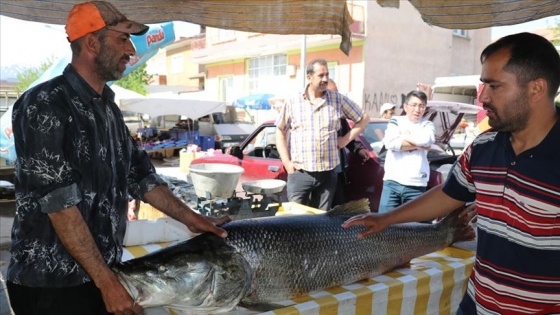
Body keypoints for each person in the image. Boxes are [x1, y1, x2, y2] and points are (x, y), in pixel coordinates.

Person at [6, 2, 230, 315]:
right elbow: (59, 203)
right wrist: (107, 283)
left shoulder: (107, 108)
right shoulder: (44, 103)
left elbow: (139, 175)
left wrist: (190, 218)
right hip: (51, 285)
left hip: (101, 274)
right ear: (91, 43)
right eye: (122, 39)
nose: (131, 50)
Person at [342, 32, 560, 314]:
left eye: (494, 86)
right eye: (483, 85)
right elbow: (449, 193)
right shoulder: (484, 146)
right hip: (476, 305)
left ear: (536, 89)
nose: (483, 98)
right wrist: (387, 218)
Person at [275, 59, 369, 210]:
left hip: (327, 173)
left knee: (320, 220)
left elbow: (364, 118)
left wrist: (345, 140)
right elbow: (280, 130)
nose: (325, 79)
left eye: (327, 74)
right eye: (321, 75)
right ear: (309, 77)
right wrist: (287, 163)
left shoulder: (337, 99)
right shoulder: (293, 102)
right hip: (300, 172)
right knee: (294, 219)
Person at [378, 90, 435, 213]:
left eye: (421, 106)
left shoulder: (427, 124)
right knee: (383, 226)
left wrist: (402, 137)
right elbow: (389, 142)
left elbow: (426, 139)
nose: (417, 109)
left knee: (412, 228)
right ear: (405, 106)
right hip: (392, 182)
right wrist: (421, 146)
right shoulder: (396, 121)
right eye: (413, 105)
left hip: (416, 186)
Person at [326, 79, 370, 207]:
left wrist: (358, 149)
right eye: (332, 93)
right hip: (318, 172)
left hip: (337, 171)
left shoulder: (340, 116)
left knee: (338, 205)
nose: (337, 97)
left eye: (337, 93)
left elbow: (347, 136)